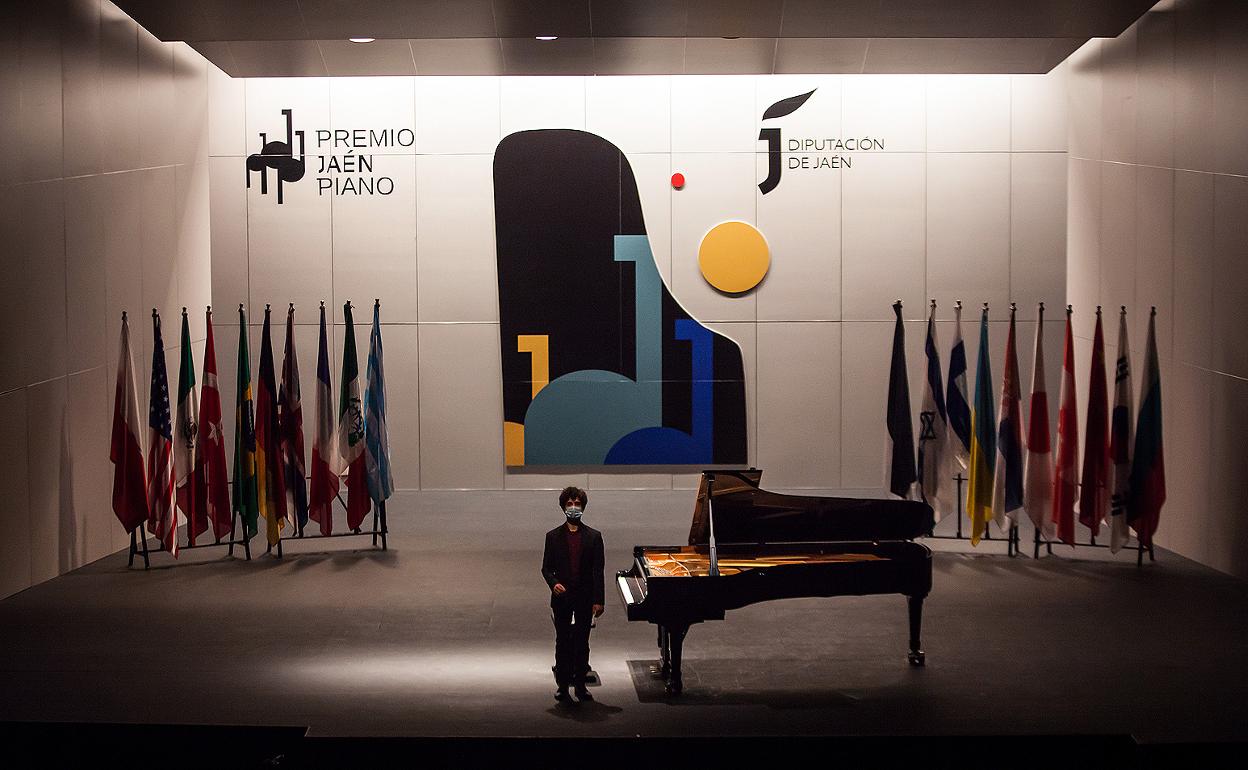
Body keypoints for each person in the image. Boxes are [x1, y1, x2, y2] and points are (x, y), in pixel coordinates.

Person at [541, 486, 605, 703]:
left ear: (583, 507)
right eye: (569, 504)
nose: (573, 507)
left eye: (577, 504)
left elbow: (598, 571)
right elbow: (546, 568)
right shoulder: (553, 537)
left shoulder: (594, 537)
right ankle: (562, 686)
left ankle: (580, 685)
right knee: (562, 642)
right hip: (562, 598)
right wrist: (554, 584)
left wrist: (599, 600)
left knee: (582, 642)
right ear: (563, 507)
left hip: (584, 597)